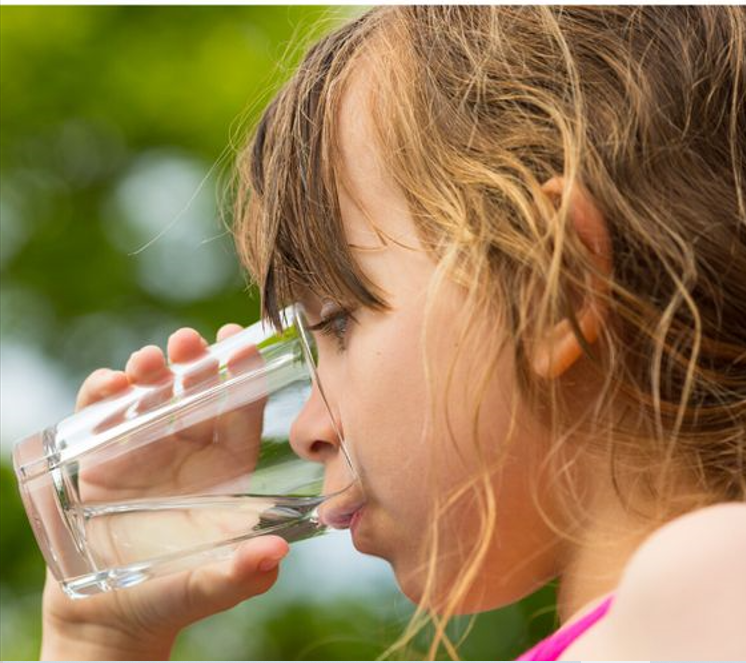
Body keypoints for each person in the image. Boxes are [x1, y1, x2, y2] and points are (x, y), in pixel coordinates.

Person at [40, 6, 746, 661]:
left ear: (545, 289)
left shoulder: (708, 577)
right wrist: (100, 634)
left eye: (338, 321)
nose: (307, 428)